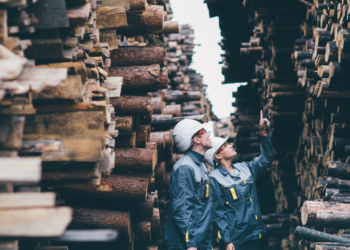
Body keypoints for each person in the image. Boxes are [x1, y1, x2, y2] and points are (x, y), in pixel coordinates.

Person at [205, 111, 274, 250]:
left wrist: (263, 134)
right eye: (224, 145)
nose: (230, 145)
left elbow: (267, 158)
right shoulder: (214, 179)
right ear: (217, 155)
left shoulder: (245, 168)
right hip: (236, 241)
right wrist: (226, 240)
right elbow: (218, 213)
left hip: (255, 235)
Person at [165, 119, 231, 250]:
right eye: (204, 131)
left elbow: (211, 206)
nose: (209, 134)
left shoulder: (200, 166)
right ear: (196, 139)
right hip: (187, 245)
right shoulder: (185, 168)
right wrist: (191, 244)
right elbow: (182, 209)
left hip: (201, 243)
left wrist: (225, 239)